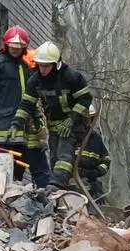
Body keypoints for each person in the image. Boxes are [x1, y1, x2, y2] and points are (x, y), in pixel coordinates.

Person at [0, 26, 52, 187]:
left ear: (24, 47)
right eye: (12, 47)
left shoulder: (26, 68)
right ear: (6, 45)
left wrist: (36, 116)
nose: (15, 50)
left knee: (25, 165)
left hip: (23, 128)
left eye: (19, 47)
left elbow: (31, 97)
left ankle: (28, 194)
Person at [11, 41, 93, 190]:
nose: (42, 69)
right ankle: (60, 189)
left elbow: (86, 99)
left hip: (74, 124)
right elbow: (26, 104)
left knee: (64, 154)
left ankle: (56, 185)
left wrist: (71, 119)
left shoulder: (71, 77)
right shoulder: (35, 81)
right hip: (54, 125)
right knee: (55, 159)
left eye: (46, 65)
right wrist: (16, 122)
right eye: (40, 65)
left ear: (56, 64)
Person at [75, 104, 110, 201]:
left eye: (89, 119)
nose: (86, 123)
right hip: (71, 186)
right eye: (83, 119)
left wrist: (93, 173)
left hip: (91, 185)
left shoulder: (95, 138)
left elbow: (106, 160)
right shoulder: (70, 138)